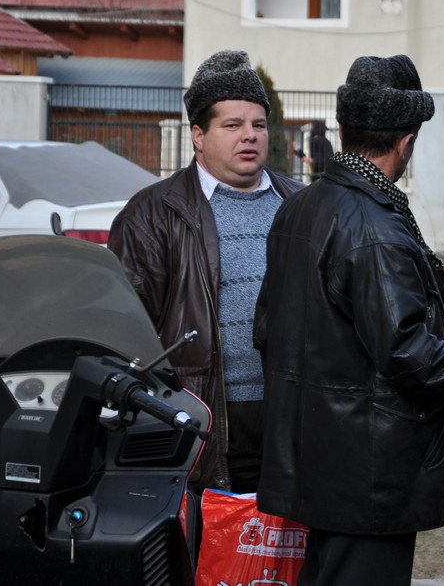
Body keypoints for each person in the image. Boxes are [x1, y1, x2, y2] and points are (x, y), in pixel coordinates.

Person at [253, 54, 444, 586]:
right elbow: (407, 351)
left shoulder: (297, 209)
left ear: (344, 132)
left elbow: (266, 331)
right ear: (406, 143)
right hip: (367, 475)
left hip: (317, 462)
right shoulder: (375, 228)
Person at [108, 50, 304, 495]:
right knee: (208, 536)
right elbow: (124, 332)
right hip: (200, 418)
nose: (249, 135)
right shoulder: (152, 214)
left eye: (258, 125)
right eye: (232, 125)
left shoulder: (302, 205)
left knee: (284, 538)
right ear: (198, 135)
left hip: (292, 417)